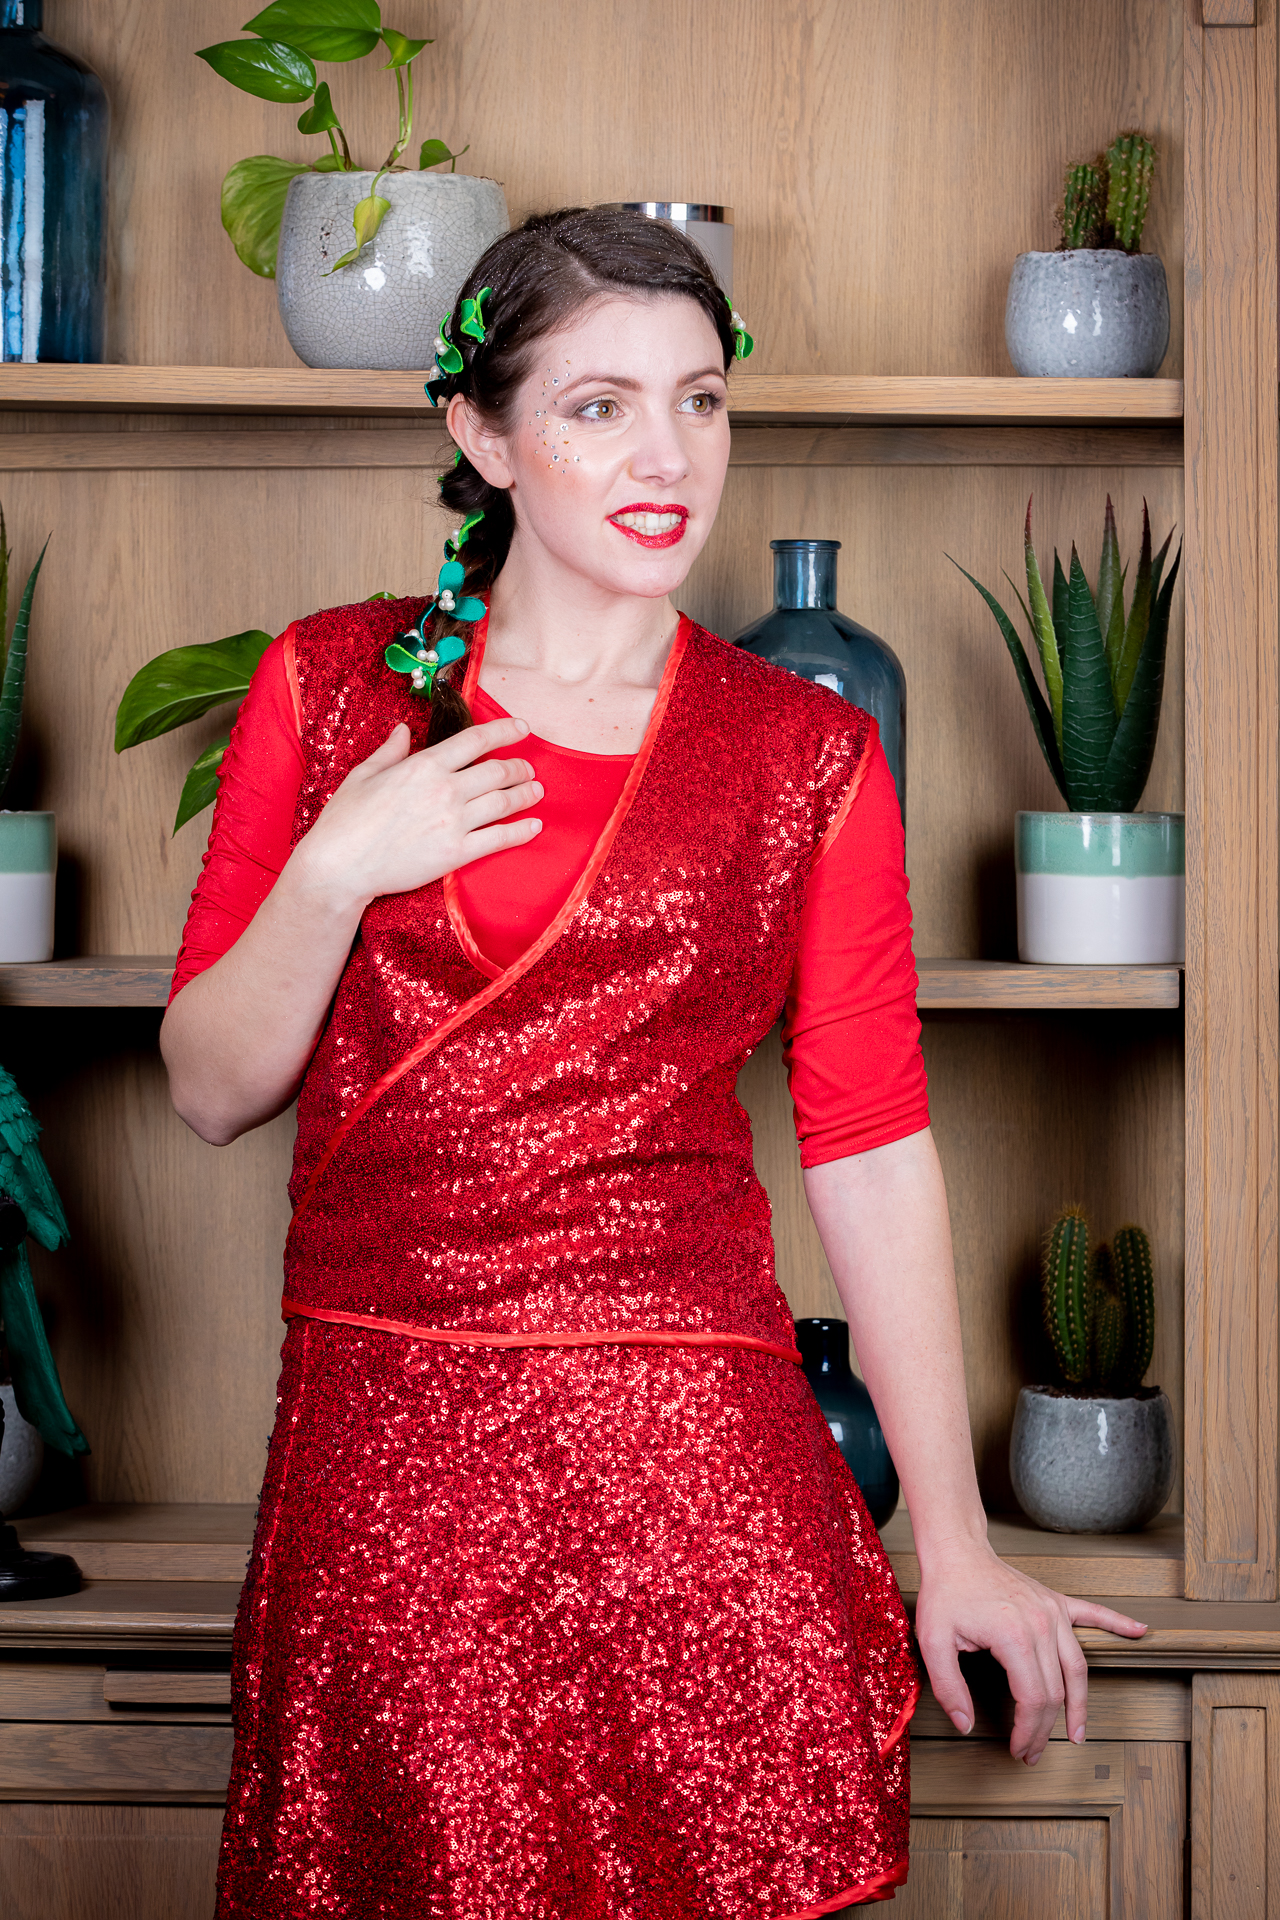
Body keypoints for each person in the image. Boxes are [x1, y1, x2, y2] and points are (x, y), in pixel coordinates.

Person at [161, 207, 1145, 1919]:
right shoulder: (331, 688)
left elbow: (869, 1143)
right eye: (599, 406)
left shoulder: (807, 753)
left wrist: (962, 1544)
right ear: (484, 435)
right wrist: (336, 869)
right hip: (392, 1479)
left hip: (698, 1477)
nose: (668, 456)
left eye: (699, 400)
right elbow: (209, 1087)